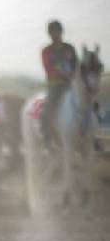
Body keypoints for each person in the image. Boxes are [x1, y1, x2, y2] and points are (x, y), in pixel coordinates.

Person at [40, 20, 77, 148]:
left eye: (57, 32)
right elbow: (48, 69)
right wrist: (62, 73)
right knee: (47, 110)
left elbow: (76, 65)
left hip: (71, 84)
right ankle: (47, 138)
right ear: (49, 34)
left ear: (61, 32)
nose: (55, 35)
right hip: (55, 85)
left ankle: (93, 135)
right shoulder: (46, 51)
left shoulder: (70, 49)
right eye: (52, 32)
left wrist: (72, 75)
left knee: (91, 104)